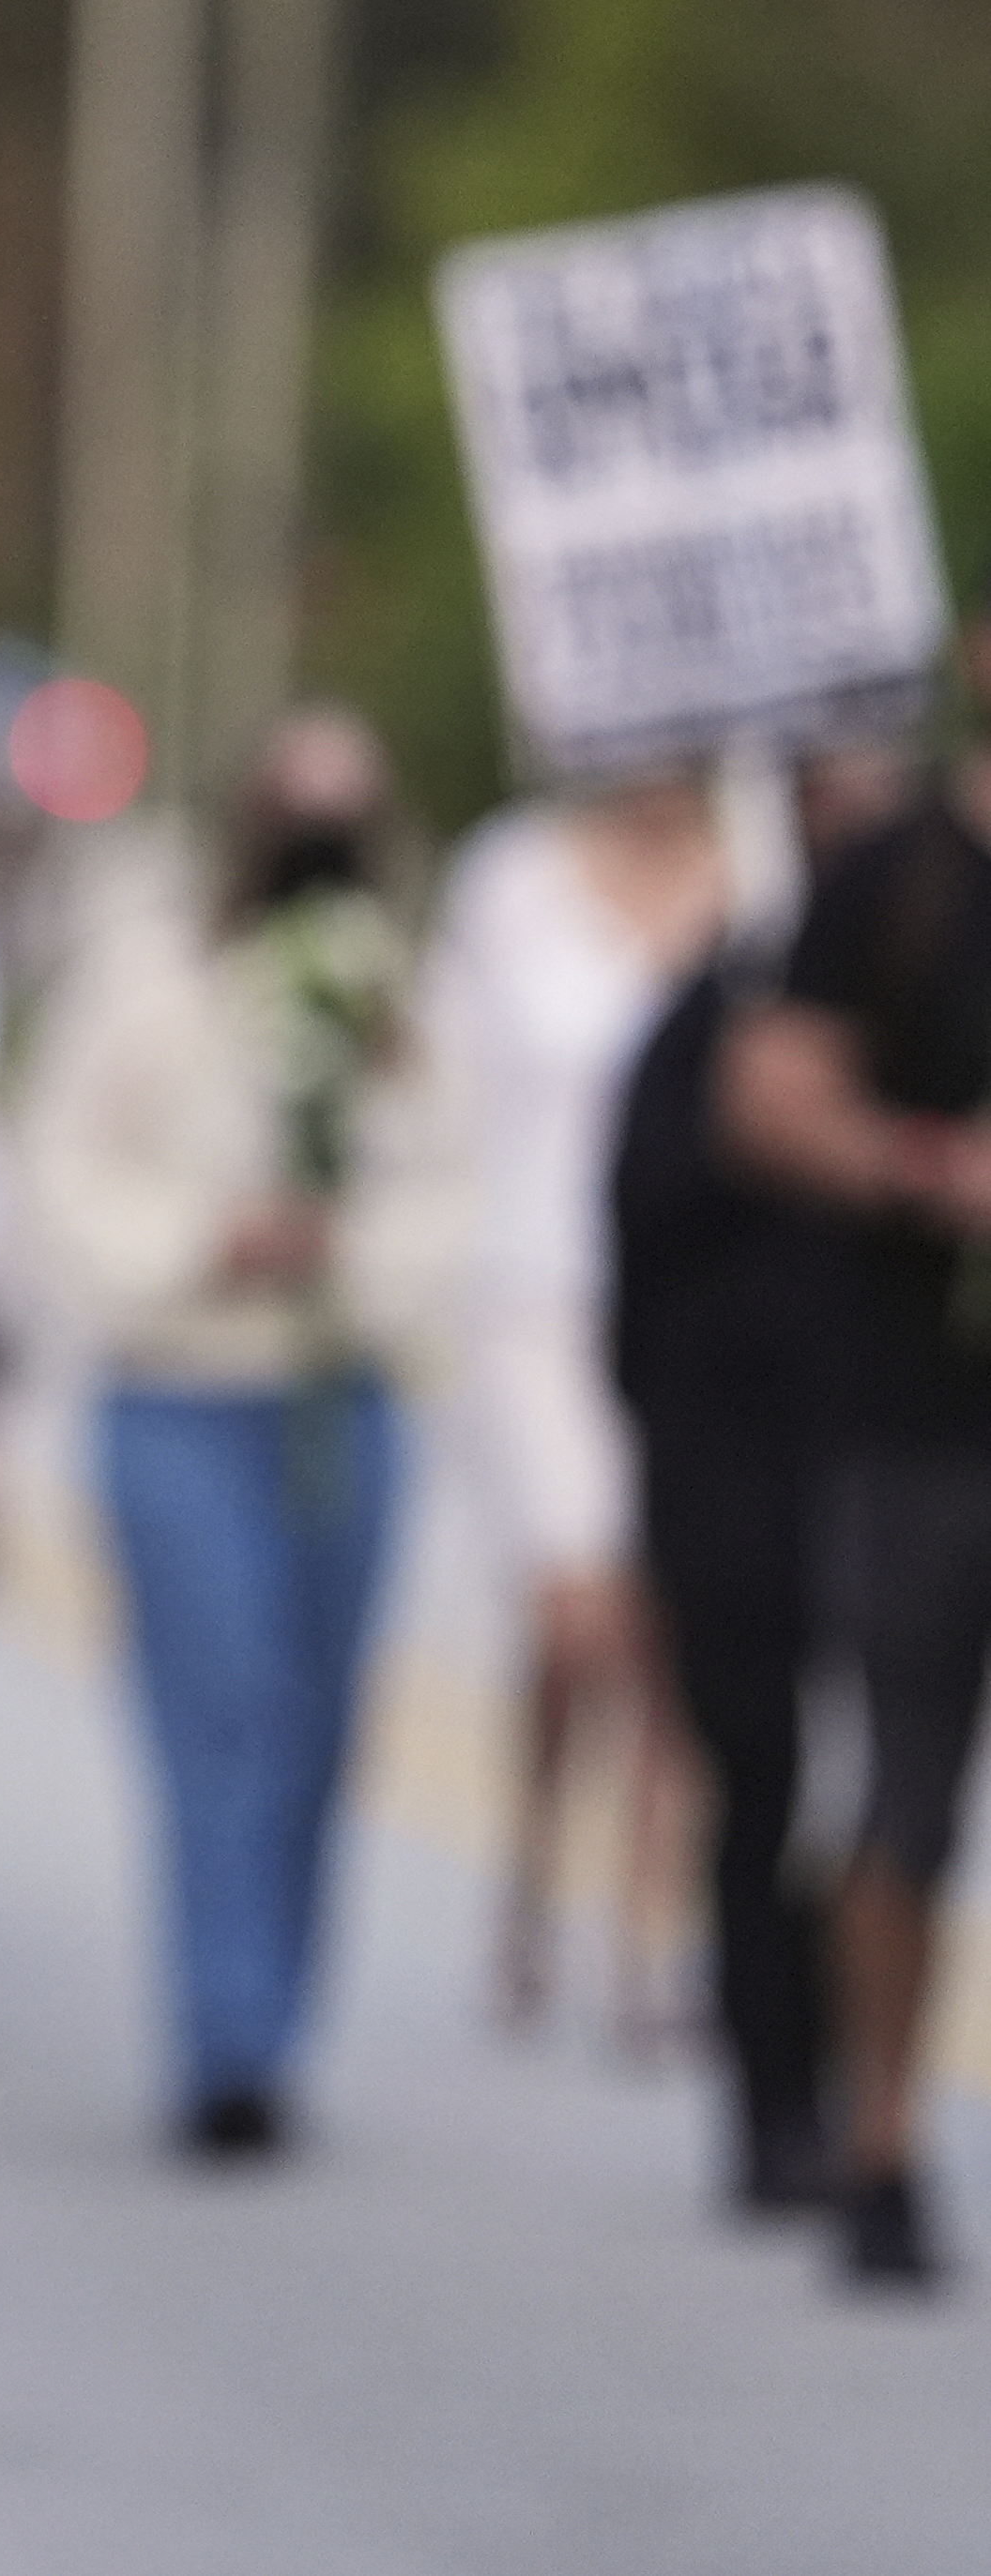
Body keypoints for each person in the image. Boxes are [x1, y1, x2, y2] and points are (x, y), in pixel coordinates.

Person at [17, 705, 443, 2154]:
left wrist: (346, 1251)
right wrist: (205, 1241)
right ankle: (227, 2035)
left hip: (340, 1393)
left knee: (318, 1718)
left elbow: (455, 1189)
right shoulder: (145, 974)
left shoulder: (397, 990)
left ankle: (278, 2007)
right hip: (180, 1394)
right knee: (222, 1707)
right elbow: (62, 1161)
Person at [724, 603, 991, 2284]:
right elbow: (765, 1094)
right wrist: (922, 1165)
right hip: (917, 1415)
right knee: (902, 1788)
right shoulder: (891, 873)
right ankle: (880, 2132)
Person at [425, 770, 731, 2046]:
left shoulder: (750, 870)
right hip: (535, 1295)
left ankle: (642, 1928)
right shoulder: (512, 879)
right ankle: (533, 1864)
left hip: (689, 1300)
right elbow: (448, 1084)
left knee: (668, 1627)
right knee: (575, 1618)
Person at [608, 763, 866, 2215]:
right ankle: (776, 2093)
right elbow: (643, 1239)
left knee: (881, 1789)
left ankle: (859, 2092)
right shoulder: (705, 1016)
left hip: (882, 1451)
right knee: (758, 1769)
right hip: (731, 1464)